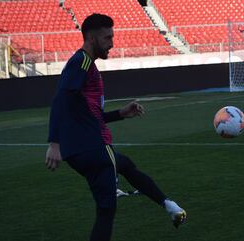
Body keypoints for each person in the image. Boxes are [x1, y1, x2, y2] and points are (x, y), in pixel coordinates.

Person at [45, 13, 186, 241]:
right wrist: (54, 142)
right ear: (91, 39)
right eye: (107, 38)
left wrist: (120, 114)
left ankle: (170, 206)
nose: (112, 43)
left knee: (125, 165)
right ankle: (170, 205)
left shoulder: (86, 65)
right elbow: (60, 99)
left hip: (80, 151)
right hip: (93, 147)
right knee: (106, 210)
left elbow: (88, 115)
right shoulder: (81, 62)